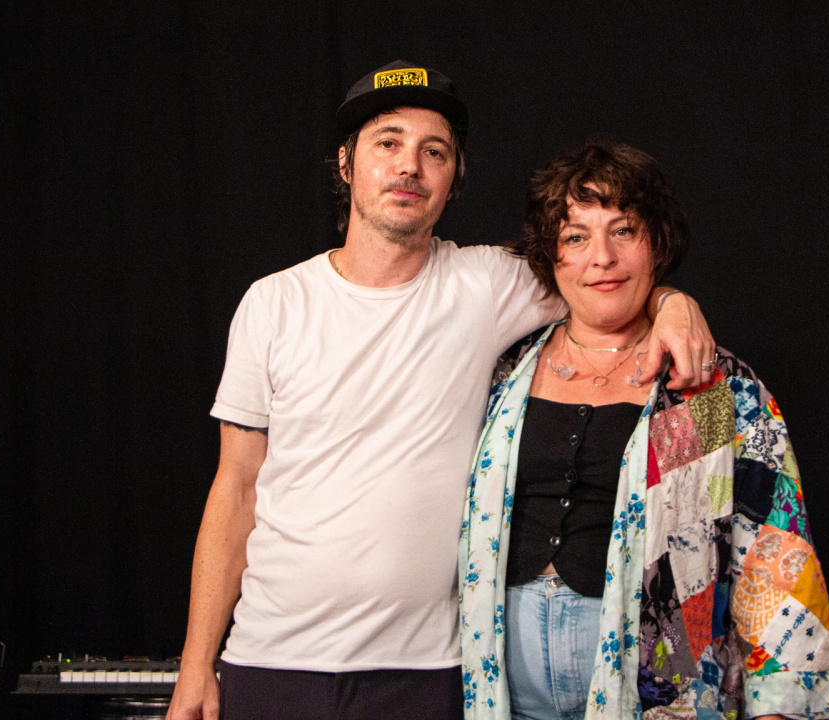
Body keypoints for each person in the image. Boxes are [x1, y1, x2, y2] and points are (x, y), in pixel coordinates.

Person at [166, 62, 717, 720]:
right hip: (272, 656)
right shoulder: (273, 304)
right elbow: (236, 488)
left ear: (453, 179)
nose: (409, 166)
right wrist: (196, 662)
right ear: (345, 165)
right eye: (388, 143)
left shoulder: (487, 284)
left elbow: (600, 273)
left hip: (428, 670)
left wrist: (672, 301)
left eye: (435, 152)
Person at [459, 143, 829, 719]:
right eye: (575, 237)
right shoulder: (506, 372)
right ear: (551, 254)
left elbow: (772, 549)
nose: (602, 257)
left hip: (659, 685)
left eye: (624, 231)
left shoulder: (703, 385)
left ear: (658, 244)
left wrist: (777, 704)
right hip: (506, 689)